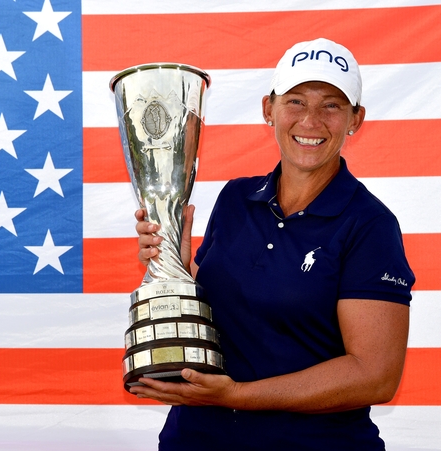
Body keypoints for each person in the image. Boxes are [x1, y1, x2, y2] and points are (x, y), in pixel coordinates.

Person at [131, 38, 415, 450]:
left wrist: (236, 397)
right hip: (196, 437)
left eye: (332, 105)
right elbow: (228, 307)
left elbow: (374, 375)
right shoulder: (235, 198)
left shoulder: (369, 225)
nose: (311, 120)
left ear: (356, 118)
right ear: (269, 109)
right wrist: (175, 265)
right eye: (296, 101)